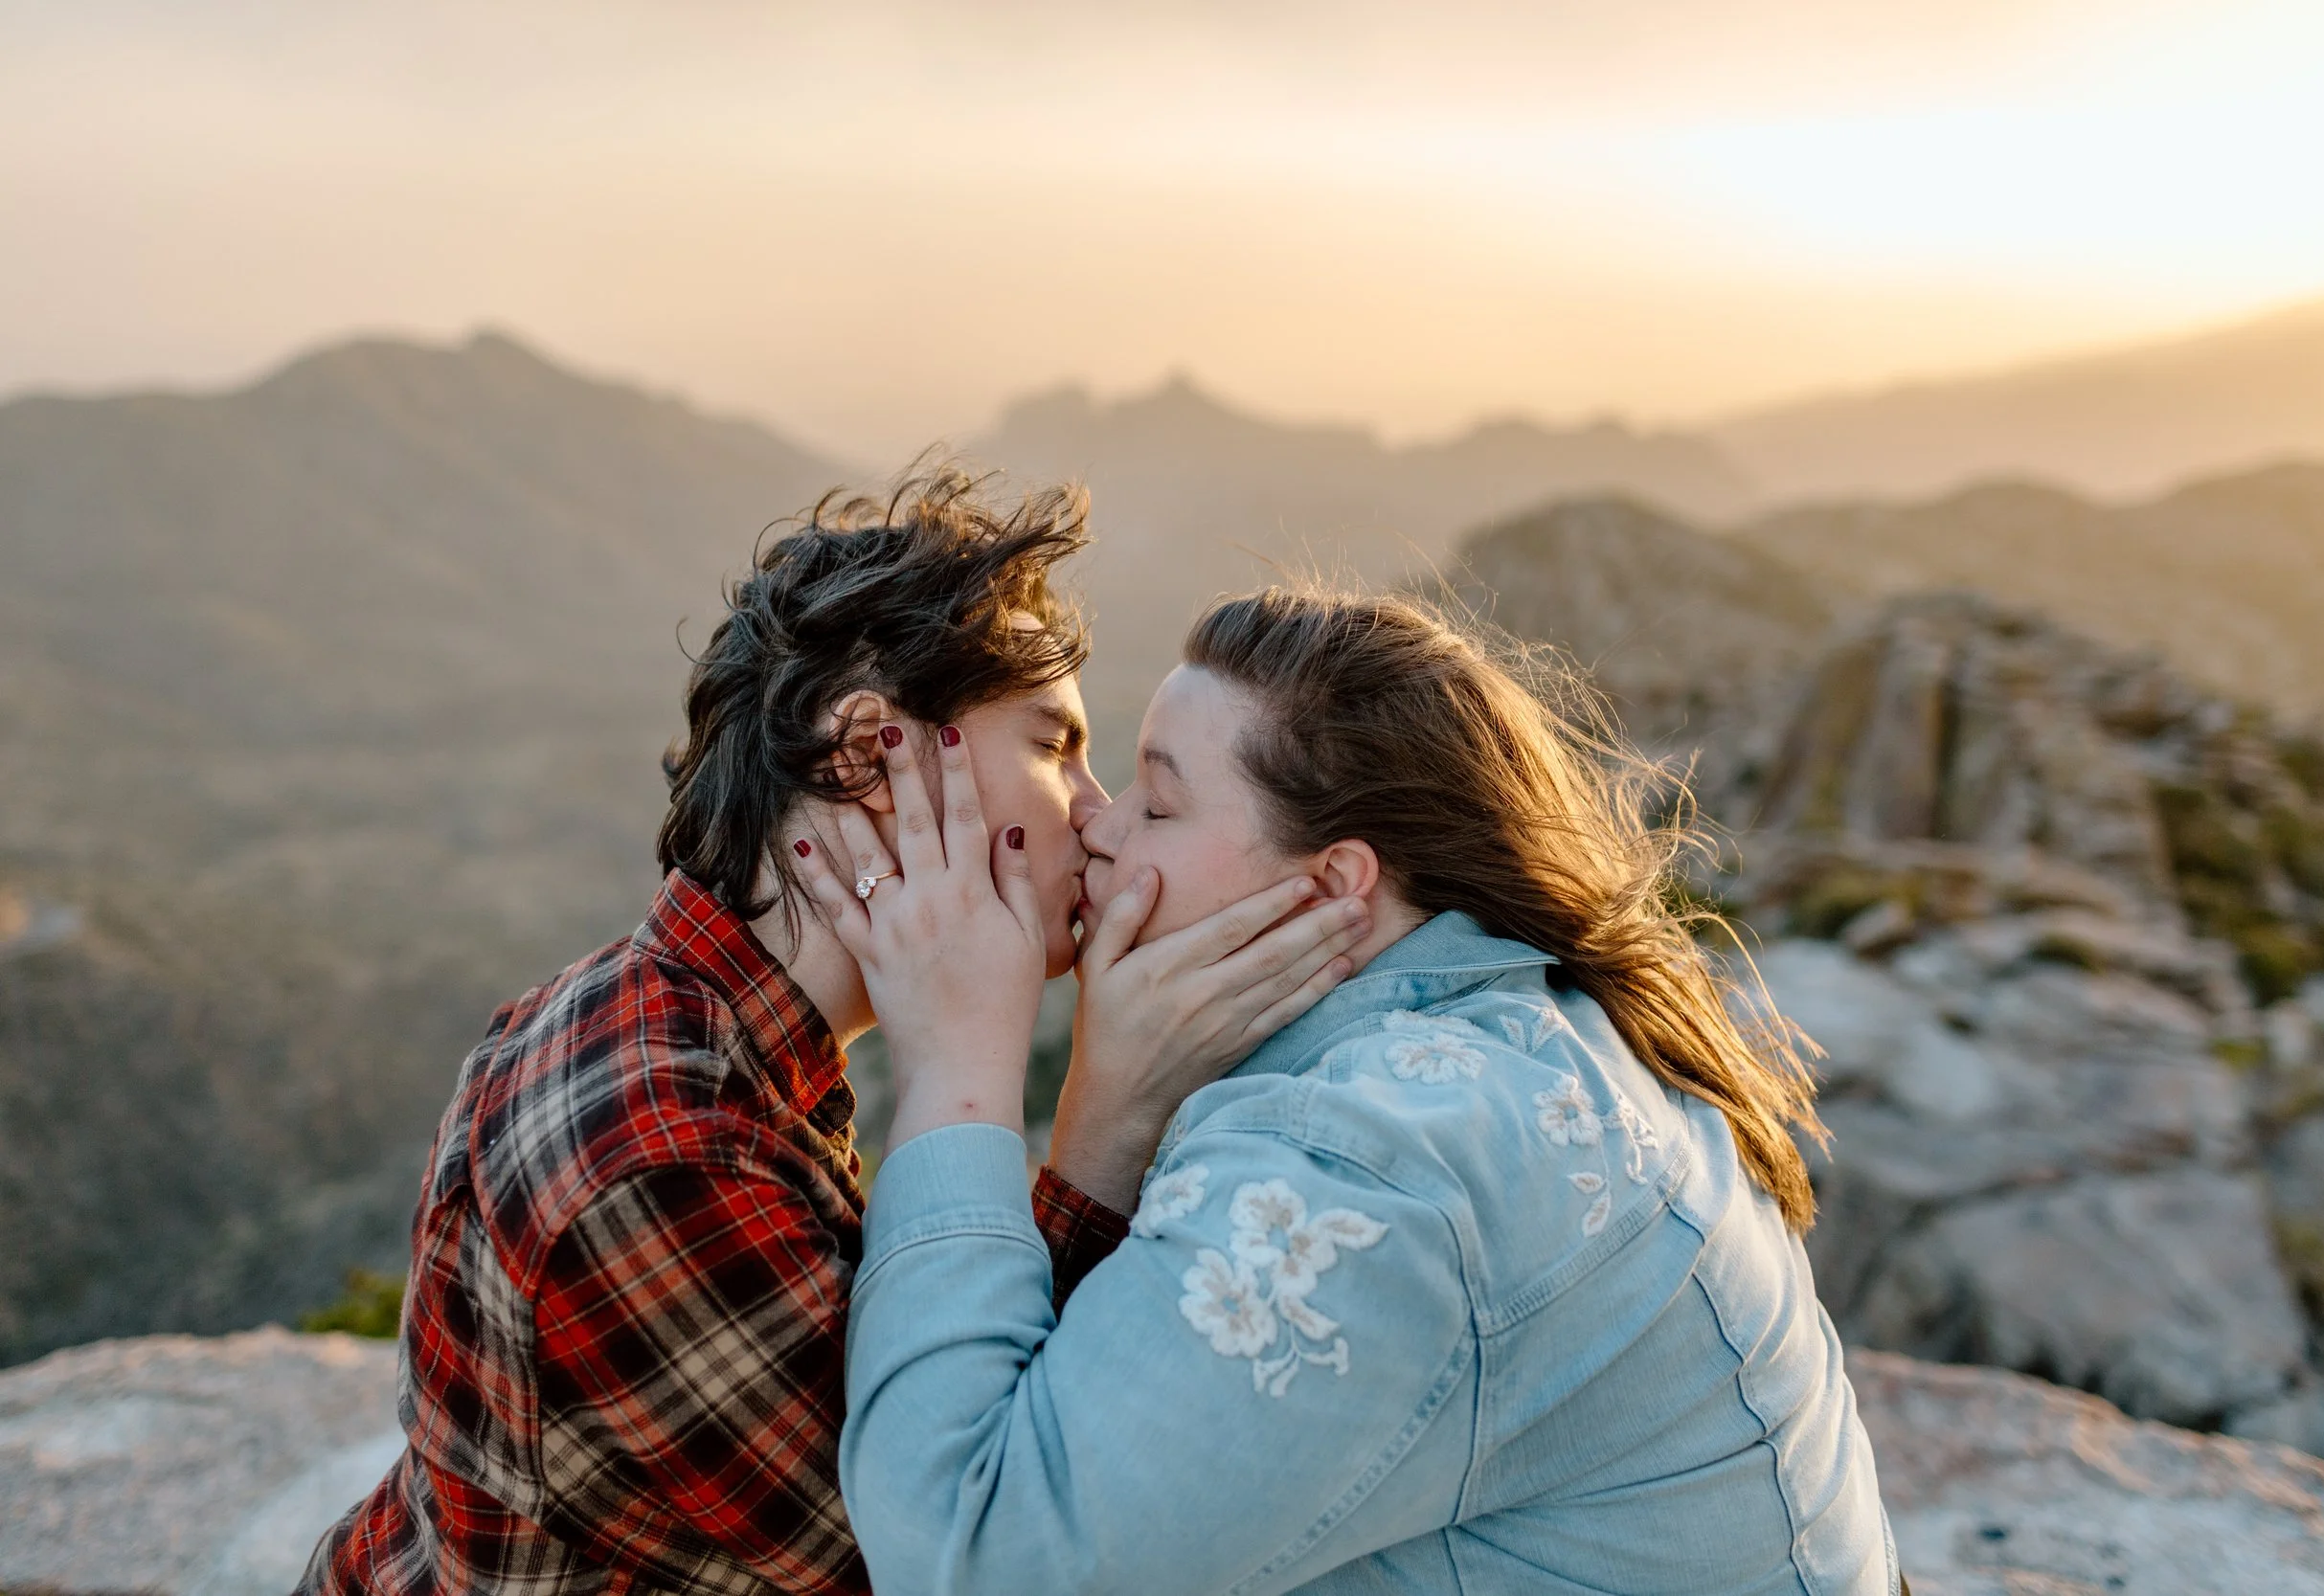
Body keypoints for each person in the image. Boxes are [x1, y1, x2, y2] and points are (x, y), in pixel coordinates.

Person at [302, 471, 1363, 1595]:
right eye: (1056, 748)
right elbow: (964, 1547)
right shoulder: (665, 1158)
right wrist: (1095, 1112)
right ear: (872, 755)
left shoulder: (692, 1025)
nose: (1096, 812)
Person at [817, 586, 1903, 1594]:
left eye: (1159, 802)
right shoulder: (1524, 1027)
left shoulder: (1378, 1157)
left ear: (1331, 882)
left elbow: (967, 1546)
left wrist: (956, 1066)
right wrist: (1109, 1115)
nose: (1098, 823)